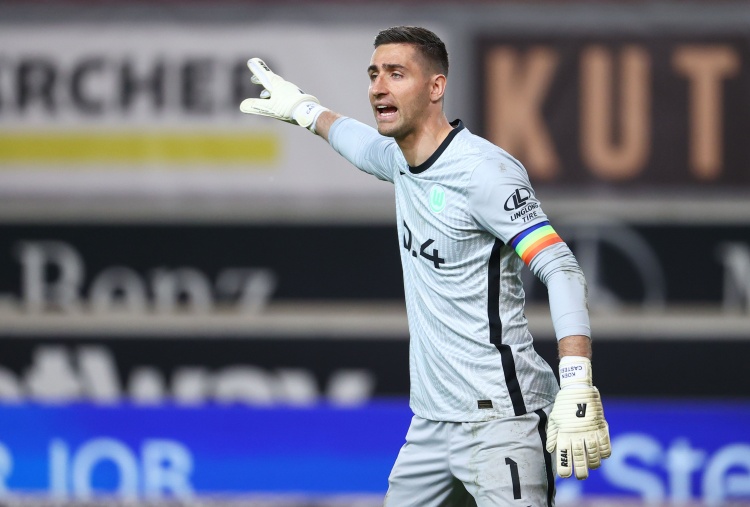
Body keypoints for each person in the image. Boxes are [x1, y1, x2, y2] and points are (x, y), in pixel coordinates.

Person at [240, 26, 610, 506]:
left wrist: (577, 378)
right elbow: (355, 141)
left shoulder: (485, 173)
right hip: (430, 426)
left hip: (502, 420)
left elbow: (560, 266)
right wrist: (303, 110)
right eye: (374, 74)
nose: (378, 87)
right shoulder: (399, 160)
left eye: (396, 74)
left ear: (436, 87)